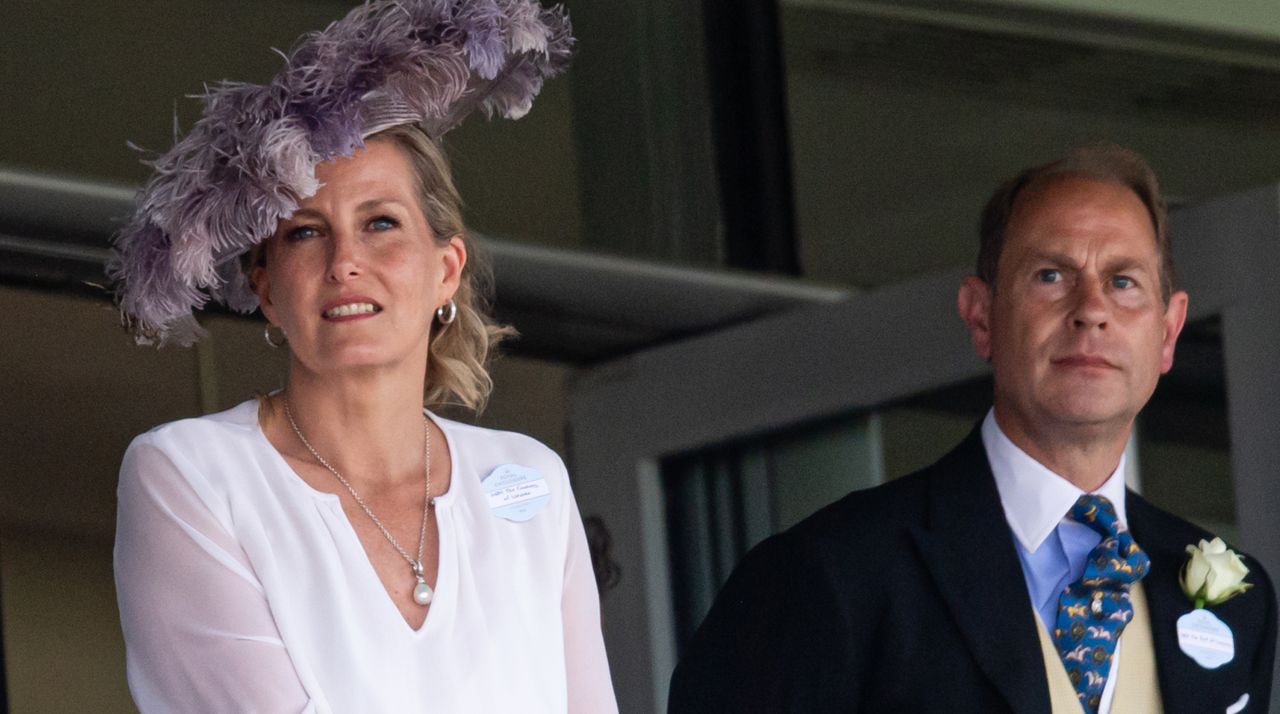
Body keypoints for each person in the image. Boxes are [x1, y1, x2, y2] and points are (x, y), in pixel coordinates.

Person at [109, 2, 617, 712]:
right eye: (306, 233)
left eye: (380, 223)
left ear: (446, 269)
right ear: (265, 287)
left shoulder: (530, 482)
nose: (346, 262)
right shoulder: (192, 474)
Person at [667, 146, 1276, 713]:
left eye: (1123, 282)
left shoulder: (1239, 601)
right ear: (980, 316)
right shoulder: (828, 574)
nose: (1092, 309)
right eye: (1051, 276)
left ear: (1167, 334)